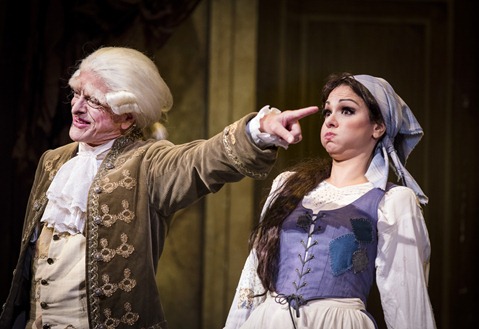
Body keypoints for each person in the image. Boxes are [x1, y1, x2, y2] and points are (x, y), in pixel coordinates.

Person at [0, 46, 319, 329]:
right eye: (77, 94)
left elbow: (201, 160)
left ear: (127, 118)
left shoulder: (148, 164)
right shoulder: (54, 161)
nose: (77, 107)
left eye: (93, 101)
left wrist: (257, 131)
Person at [224, 72, 437, 329]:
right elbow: (253, 276)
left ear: (378, 127)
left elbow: (407, 301)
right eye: (327, 112)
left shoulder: (392, 202)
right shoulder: (288, 185)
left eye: (346, 111)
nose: (331, 121)